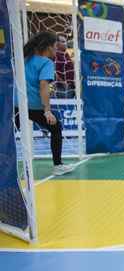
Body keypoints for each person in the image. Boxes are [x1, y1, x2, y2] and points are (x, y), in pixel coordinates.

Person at [15, 32, 74, 175]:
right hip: (35, 107)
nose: (56, 50)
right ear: (48, 47)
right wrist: (47, 110)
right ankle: (58, 165)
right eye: (55, 46)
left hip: (16, 105)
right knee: (56, 128)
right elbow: (43, 86)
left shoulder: (22, 59)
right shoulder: (46, 63)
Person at [54, 34, 74, 99]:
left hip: (70, 87)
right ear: (57, 43)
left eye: (65, 41)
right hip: (62, 88)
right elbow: (53, 72)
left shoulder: (66, 54)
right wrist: (63, 83)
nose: (65, 43)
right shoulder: (55, 55)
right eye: (63, 42)